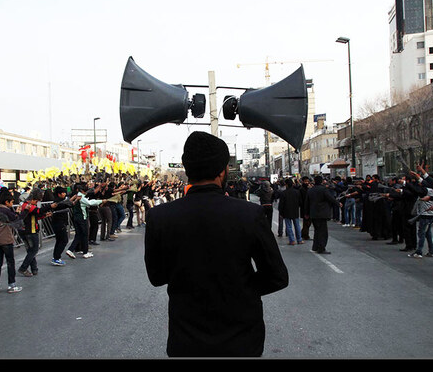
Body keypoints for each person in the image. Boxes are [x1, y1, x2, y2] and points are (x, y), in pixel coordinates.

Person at [144, 131, 288, 357]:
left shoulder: (160, 216)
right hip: (241, 338)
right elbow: (277, 276)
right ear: (223, 172)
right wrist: (239, 288)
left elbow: (157, 277)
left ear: (187, 169)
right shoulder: (249, 214)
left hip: (187, 339)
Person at [17, 188, 55, 276]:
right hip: (30, 230)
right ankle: (23, 268)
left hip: (24, 230)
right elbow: (37, 211)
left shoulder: (24, 205)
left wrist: (44, 215)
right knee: (33, 250)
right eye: (37, 201)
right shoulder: (28, 206)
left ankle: (34, 269)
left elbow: (34, 216)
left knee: (31, 250)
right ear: (33, 199)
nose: (37, 203)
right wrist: (50, 206)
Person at [0, 191, 22, 294]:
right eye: (11, 202)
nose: (12, 204)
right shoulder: (6, 211)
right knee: (10, 262)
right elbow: (15, 219)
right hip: (6, 239)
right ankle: (11, 285)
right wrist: (17, 212)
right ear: (6, 201)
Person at [65, 183, 106, 259]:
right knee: (84, 234)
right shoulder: (81, 197)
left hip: (76, 218)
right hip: (82, 218)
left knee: (79, 234)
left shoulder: (77, 196)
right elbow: (89, 203)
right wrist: (101, 201)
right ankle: (85, 252)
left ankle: (72, 249)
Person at [304, 175, 342, 254]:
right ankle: (321, 247)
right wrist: (338, 203)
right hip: (322, 213)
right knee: (323, 231)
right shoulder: (324, 189)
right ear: (321, 181)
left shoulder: (310, 190)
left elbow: (307, 202)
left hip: (313, 213)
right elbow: (330, 198)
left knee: (317, 230)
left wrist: (306, 213)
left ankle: (316, 246)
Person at [50, 187, 78, 265]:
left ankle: (56, 257)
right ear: (59, 194)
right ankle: (56, 258)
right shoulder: (58, 202)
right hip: (59, 223)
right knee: (64, 240)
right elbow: (69, 204)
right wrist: (75, 200)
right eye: (63, 193)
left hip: (58, 223)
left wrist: (73, 199)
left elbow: (68, 203)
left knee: (59, 240)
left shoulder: (58, 201)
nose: (65, 194)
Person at [279, 178, 303, 245]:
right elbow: (300, 202)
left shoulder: (284, 193)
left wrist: (281, 212)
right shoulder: (297, 192)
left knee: (289, 227)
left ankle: (292, 240)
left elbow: (281, 204)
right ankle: (299, 239)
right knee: (297, 226)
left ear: (286, 185)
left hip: (286, 212)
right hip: (295, 211)